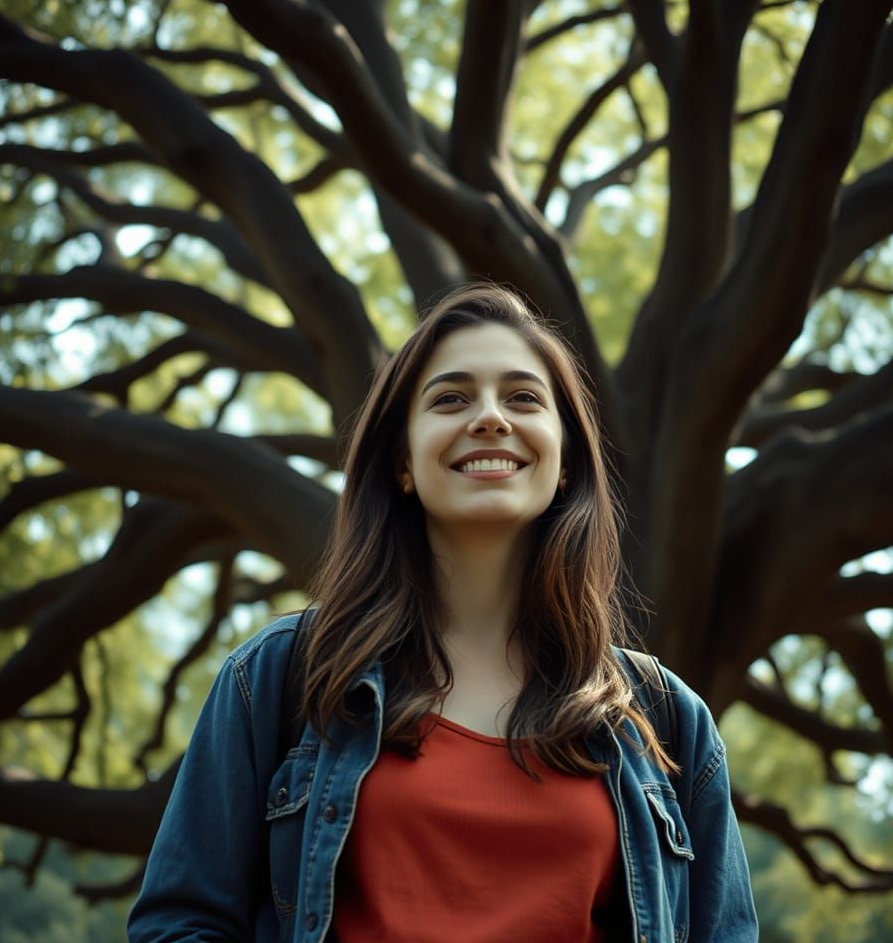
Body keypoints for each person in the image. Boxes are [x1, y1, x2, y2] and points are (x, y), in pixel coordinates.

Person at [128, 283, 759, 943]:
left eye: (522, 397)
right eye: (451, 398)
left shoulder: (667, 720)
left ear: (566, 459)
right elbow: (181, 925)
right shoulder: (280, 680)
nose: (490, 418)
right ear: (402, 461)